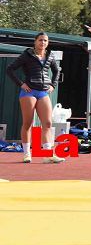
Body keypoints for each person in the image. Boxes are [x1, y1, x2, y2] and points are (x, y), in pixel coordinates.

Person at [5, 32, 64, 163]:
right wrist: (21, 84)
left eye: (45, 41)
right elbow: (10, 69)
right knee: (28, 123)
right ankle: (27, 153)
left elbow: (57, 70)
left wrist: (53, 85)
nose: (43, 43)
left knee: (48, 123)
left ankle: (48, 155)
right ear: (35, 41)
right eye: (40, 40)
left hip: (43, 92)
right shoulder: (27, 55)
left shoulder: (50, 55)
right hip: (29, 92)